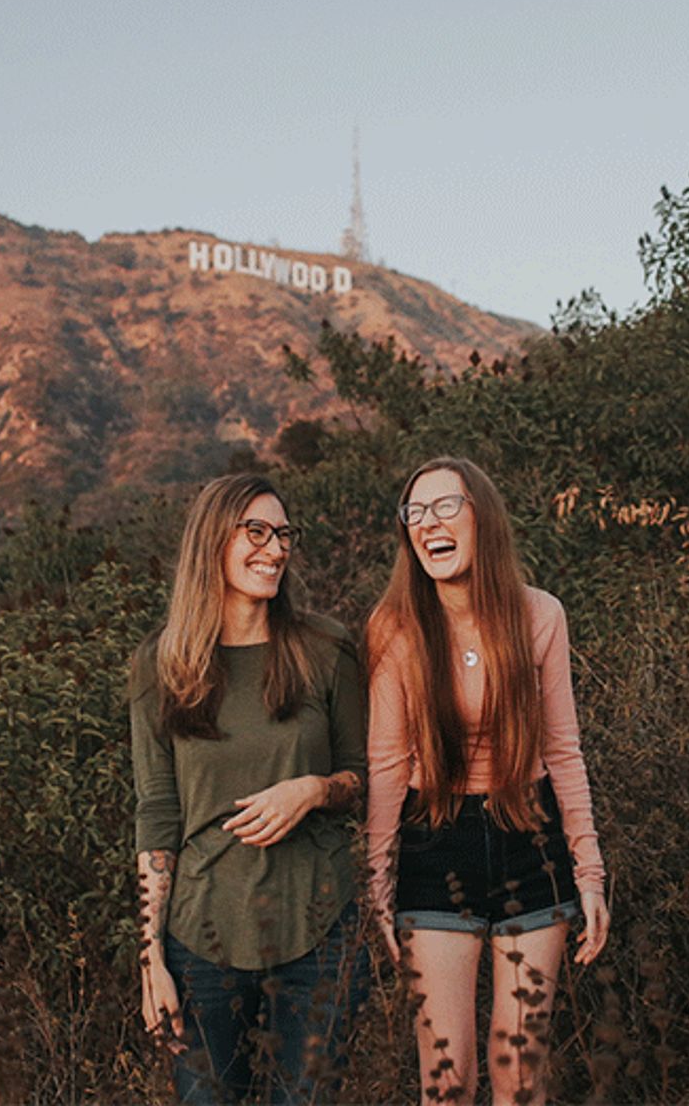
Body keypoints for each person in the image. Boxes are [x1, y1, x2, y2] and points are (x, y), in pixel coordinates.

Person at [366, 457, 610, 1106]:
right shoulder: (394, 628)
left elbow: (564, 751)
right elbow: (386, 764)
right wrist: (378, 881)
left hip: (530, 839)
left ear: (483, 519)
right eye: (415, 512)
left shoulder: (539, 616)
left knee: (519, 1075)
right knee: (448, 1082)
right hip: (434, 842)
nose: (429, 524)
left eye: (447, 506)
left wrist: (589, 872)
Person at [130, 473, 368, 1105]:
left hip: (318, 931)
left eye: (284, 534)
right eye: (256, 532)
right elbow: (157, 813)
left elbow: (364, 775)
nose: (275, 549)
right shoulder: (161, 663)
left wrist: (313, 790)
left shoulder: (325, 647)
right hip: (202, 938)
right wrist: (151, 959)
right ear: (213, 540)